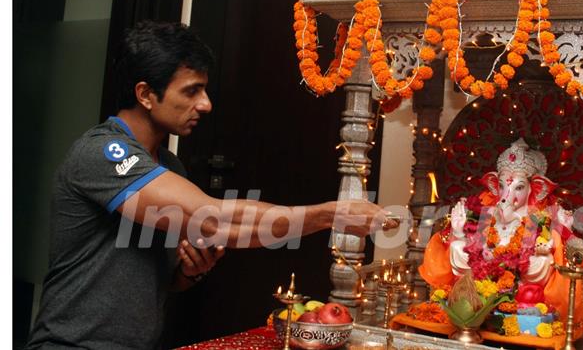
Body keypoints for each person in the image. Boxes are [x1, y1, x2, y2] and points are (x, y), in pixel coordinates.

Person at [26, 21, 396, 349]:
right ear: (145, 94)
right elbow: (214, 220)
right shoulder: (101, 153)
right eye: (191, 91)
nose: (206, 104)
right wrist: (331, 214)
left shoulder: (168, 166)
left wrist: (189, 271)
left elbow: (170, 279)